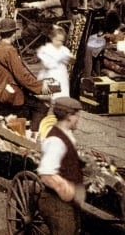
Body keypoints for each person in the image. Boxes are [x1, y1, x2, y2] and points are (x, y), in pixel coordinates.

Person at [0, 17, 52, 128]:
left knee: (30, 99)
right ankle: (32, 135)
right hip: (8, 91)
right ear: (13, 34)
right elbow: (22, 76)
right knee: (42, 107)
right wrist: (43, 87)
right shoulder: (9, 50)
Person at [36, 97, 85, 234]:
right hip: (56, 204)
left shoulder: (66, 134)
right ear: (69, 116)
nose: (78, 120)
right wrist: (63, 186)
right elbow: (46, 172)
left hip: (66, 204)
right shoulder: (56, 141)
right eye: (77, 116)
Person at [36, 25, 74, 99]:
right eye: (57, 40)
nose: (59, 42)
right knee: (50, 94)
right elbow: (47, 64)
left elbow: (70, 60)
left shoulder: (64, 50)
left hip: (61, 74)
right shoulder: (46, 49)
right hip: (50, 74)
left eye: (61, 41)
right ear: (52, 38)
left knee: (62, 92)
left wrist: (70, 59)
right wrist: (58, 58)